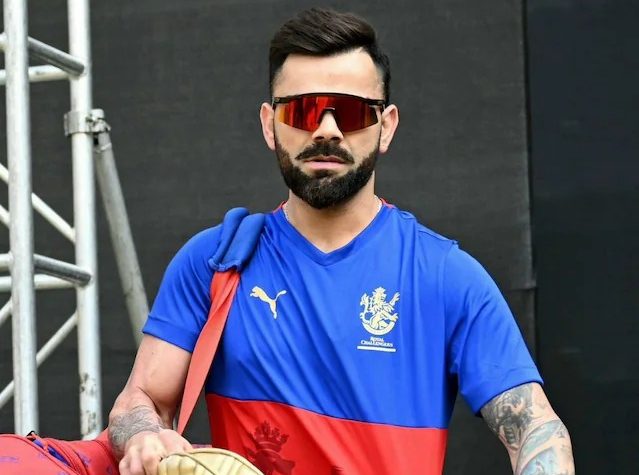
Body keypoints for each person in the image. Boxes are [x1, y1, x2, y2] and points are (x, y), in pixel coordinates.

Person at [108, 7, 575, 475]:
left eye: (351, 113)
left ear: (386, 126)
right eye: (302, 110)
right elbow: (140, 399)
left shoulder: (444, 275)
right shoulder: (215, 262)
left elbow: (535, 428)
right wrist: (144, 436)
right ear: (270, 124)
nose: (326, 130)